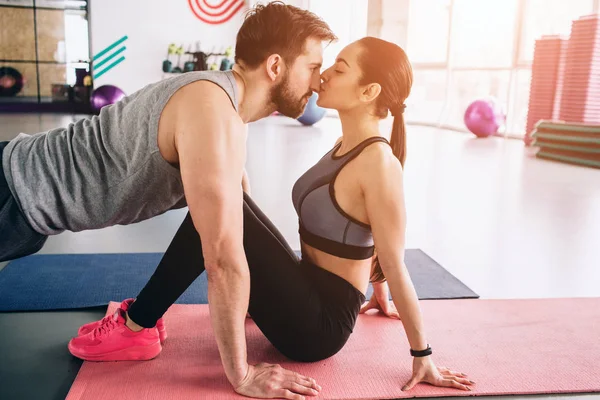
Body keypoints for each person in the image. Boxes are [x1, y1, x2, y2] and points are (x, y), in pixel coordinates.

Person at [68, 35, 475, 399]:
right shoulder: (345, 144)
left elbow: (395, 259)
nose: (325, 74)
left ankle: (138, 324)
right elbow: (359, 231)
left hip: (316, 330)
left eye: (340, 68)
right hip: (304, 290)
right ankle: (145, 317)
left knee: (221, 206)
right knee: (222, 202)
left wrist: (422, 355)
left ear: (369, 90)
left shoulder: (379, 163)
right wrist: (375, 288)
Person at [0, 2, 337, 398]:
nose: (318, 82)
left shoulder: (224, 107)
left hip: (24, 206)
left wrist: (248, 298)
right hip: (10, 191)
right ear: (276, 66)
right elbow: (223, 259)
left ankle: (135, 326)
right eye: (313, 67)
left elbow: (237, 214)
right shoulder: (211, 113)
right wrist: (241, 374)